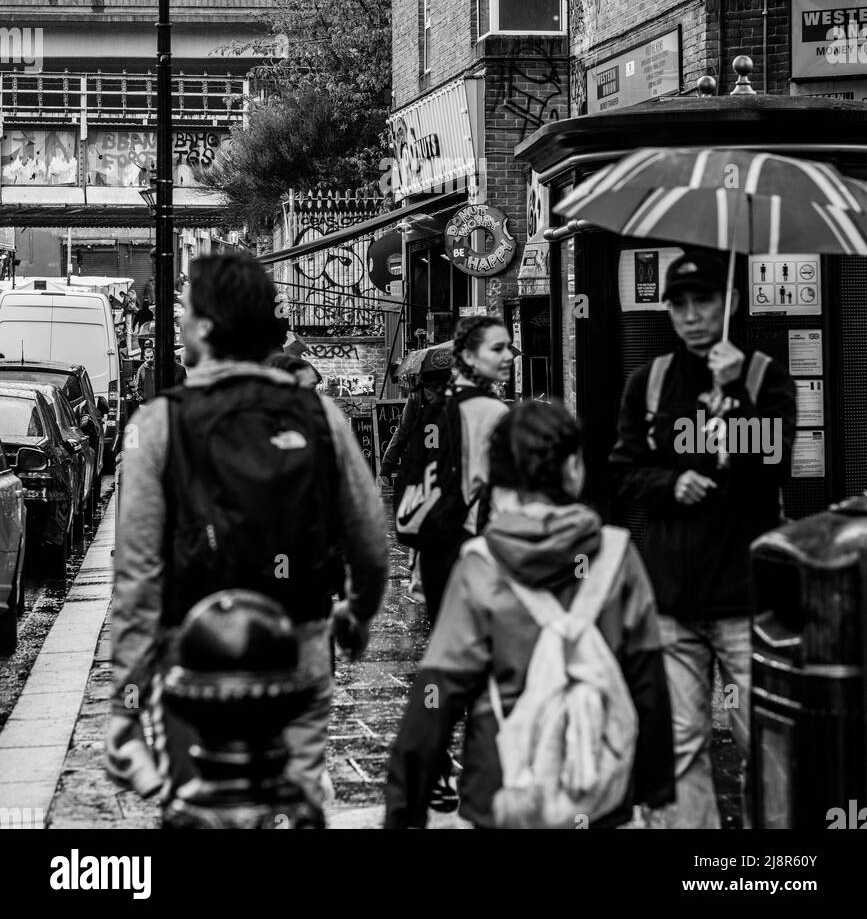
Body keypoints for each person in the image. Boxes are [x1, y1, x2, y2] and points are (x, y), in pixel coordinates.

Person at [107, 251, 389, 819]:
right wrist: (355, 615)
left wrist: (126, 704)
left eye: (184, 309)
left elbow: (138, 579)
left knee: (202, 804)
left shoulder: (158, 424)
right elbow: (369, 540)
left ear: (206, 327)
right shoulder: (318, 415)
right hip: (301, 646)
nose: (178, 320)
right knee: (300, 793)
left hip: (192, 670)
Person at [384, 400, 675, 829]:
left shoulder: (479, 565)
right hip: (596, 790)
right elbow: (648, 681)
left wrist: (405, 808)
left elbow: (436, 697)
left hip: (501, 793)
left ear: (498, 481)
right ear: (574, 469)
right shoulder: (617, 555)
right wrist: (655, 791)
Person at [608, 247, 796, 830]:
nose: (691, 314)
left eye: (704, 301)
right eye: (680, 304)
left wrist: (731, 403)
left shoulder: (765, 377)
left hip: (745, 598)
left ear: (730, 302)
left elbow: (775, 464)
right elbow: (622, 469)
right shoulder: (651, 381)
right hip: (671, 599)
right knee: (680, 741)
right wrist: (670, 480)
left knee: (764, 737)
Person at [412, 315, 513, 627]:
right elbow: (503, 492)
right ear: (468, 357)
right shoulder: (493, 411)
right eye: (497, 349)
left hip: (434, 548)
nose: (508, 356)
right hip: (475, 545)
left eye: (508, 347)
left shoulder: (439, 404)